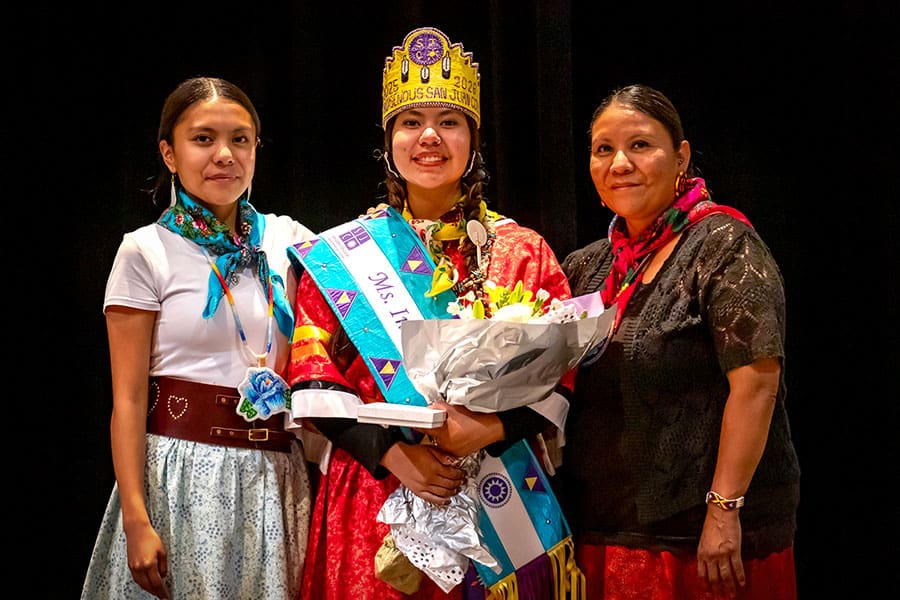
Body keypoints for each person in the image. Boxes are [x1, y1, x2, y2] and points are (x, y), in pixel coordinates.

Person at [285, 27, 576, 599]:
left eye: (449, 121)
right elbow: (312, 374)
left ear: (473, 139)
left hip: (499, 489)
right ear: (389, 140)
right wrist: (396, 455)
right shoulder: (343, 253)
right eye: (410, 122)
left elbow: (563, 375)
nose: (429, 137)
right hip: (379, 492)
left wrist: (491, 427)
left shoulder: (523, 250)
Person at [559, 83, 801, 599]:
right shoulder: (586, 267)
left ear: (680, 157)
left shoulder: (724, 246)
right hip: (601, 527)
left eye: (640, 145)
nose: (620, 162)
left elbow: (757, 384)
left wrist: (724, 509)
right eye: (604, 149)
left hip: (701, 542)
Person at [81, 76, 314, 600]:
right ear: (169, 153)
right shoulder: (145, 251)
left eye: (240, 139)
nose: (224, 155)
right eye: (203, 139)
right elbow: (128, 398)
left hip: (276, 480)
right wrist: (137, 518)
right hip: (181, 476)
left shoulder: (290, 240)